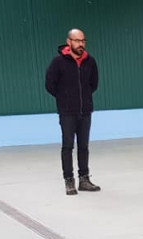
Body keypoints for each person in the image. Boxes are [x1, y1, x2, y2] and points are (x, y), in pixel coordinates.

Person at [45, 28, 101, 196]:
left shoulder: (90, 61)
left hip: (85, 111)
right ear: (69, 42)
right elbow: (50, 85)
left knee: (84, 146)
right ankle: (69, 181)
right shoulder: (58, 62)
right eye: (77, 41)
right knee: (68, 146)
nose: (81, 44)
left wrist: (84, 98)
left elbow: (94, 84)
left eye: (83, 41)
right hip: (67, 112)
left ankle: (84, 179)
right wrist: (64, 98)